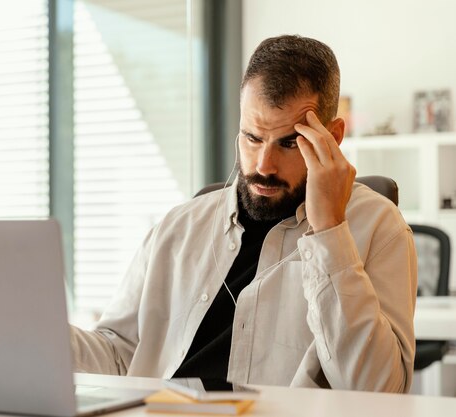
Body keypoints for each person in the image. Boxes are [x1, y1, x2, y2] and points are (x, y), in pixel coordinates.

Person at [70, 35, 417, 392]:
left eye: (288, 143)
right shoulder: (179, 227)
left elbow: (379, 392)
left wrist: (329, 230)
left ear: (332, 136)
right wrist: (28, 327)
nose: (264, 166)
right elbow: (120, 355)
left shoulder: (379, 228)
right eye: (252, 138)